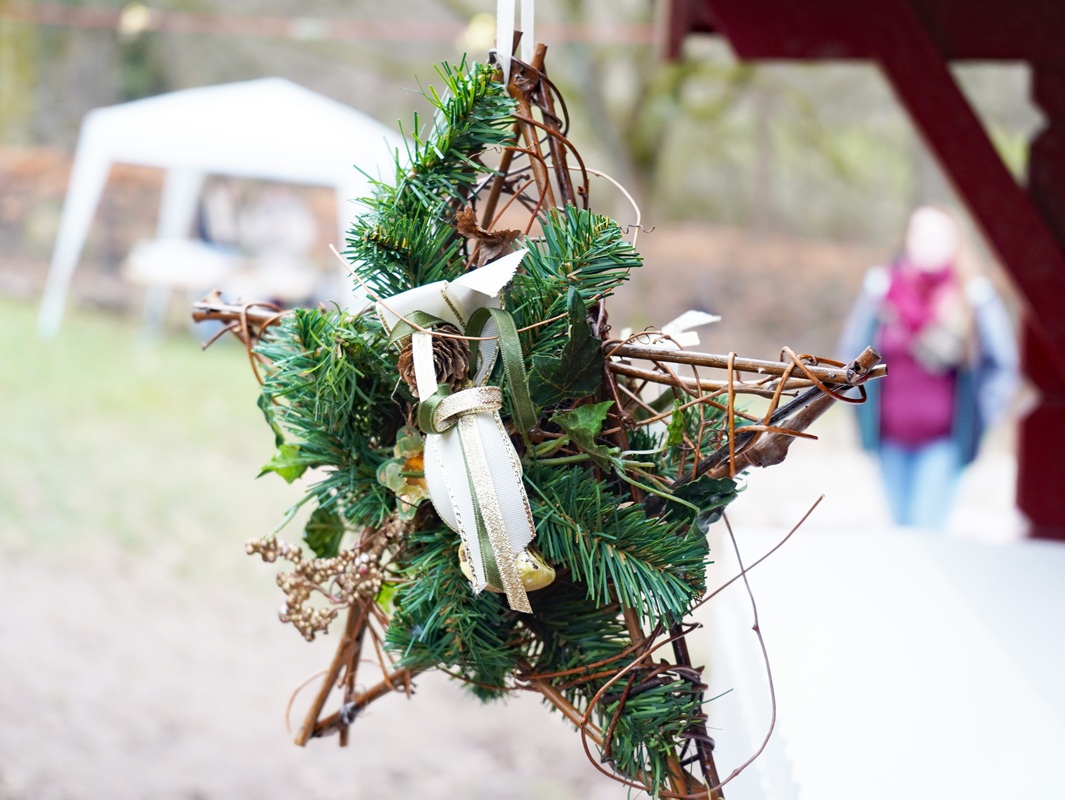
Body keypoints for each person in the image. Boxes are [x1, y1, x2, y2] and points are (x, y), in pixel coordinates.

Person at [840, 205, 1018, 530]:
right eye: (922, 234)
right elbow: (851, 357)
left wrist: (983, 417)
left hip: (944, 440)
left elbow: (1001, 366)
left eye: (939, 236)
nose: (929, 243)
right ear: (907, 239)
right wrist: (858, 407)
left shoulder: (972, 297)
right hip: (888, 436)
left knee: (926, 529)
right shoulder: (882, 292)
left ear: (955, 242)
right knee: (900, 526)